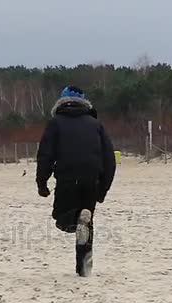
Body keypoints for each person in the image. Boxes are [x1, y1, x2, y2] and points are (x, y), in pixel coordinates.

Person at [36, 86, 116, 277]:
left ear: (61, 102)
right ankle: (84, 268)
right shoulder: (96, 124)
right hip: (92, 178)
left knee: (62, 219)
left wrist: (42, 183)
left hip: (67, 177)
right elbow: (109, 159)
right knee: (86, 226)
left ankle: (76, 218)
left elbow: (45, 155)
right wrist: (103, 189)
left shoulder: (55, 123)